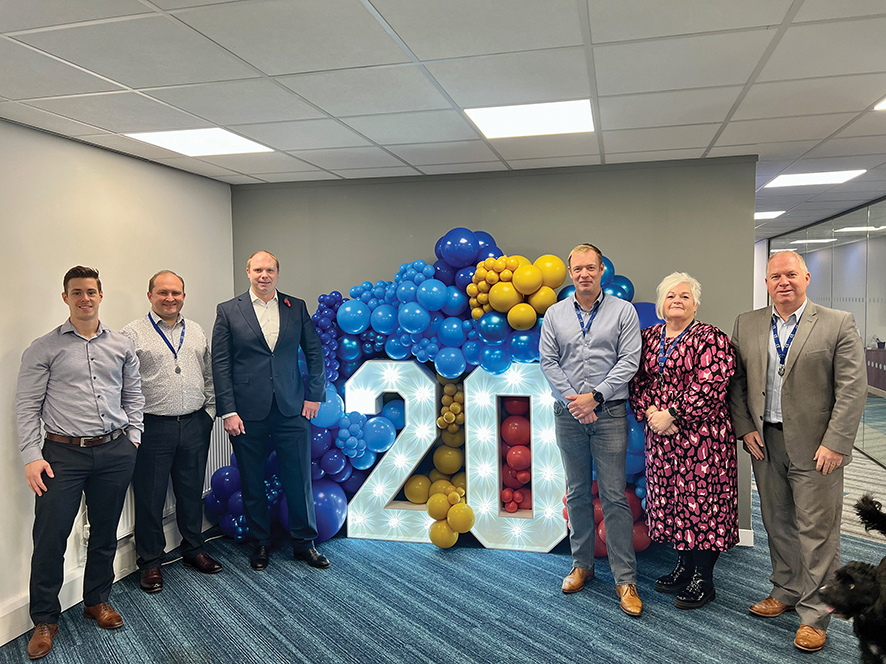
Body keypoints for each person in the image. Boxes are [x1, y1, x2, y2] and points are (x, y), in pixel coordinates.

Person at [729, 250, 866, 653]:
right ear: (766, 283)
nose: (783, 282)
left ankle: (816, 615)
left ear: (806, 278)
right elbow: (736, 383)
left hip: (817, 446)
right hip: (765, 442)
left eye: (791, 274)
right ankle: (786, 590)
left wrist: (836, 442)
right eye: (775, 276)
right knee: (777, 522)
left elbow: (852, 389)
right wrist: (745, 428)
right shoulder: (747, 323)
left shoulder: (837, 323)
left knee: (817, 533)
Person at [15, 266, 144, 660]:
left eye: (90, 291)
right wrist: (32, 456)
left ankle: (96, 600)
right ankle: (44, 619)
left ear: (101, 295)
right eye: (76, 292)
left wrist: (133, 438)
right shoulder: (44, 347)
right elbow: (27, 406)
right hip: (62, 456)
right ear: (65, 298)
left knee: (105, 531)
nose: (84, 298)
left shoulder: (121, 345)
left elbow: (133, 394)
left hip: (114, 451)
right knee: (50, 537)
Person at [539, 243, 643, 617]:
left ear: (601, 270)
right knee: (577, 492)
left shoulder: (623, 311)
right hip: (568, 414)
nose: (584, 274)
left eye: (590, 267)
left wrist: (595, 397)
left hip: (610, 413)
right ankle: (581, 565)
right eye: (578, 268)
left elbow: (630, 360)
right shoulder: (555, 314)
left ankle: (625, 579)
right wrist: (575, 401)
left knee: (614, 495)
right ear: (571, 273)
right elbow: (548, 361)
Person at [211, 250, 327, 571]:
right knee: (252, 480)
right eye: (258, 270)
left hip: (292, 408)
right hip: (246, 413)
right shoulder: (228, 311)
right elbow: (220, 365)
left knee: (299, 478)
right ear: (248, 272)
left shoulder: (296, 307)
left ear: (277, 273)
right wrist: (228, 411)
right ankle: (261, 542)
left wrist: (314, 396)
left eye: (270, 270)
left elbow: (314, 352)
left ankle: (304, 543)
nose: (264, 275)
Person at [629, 272, 738, 610]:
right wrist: (652, 413)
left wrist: (673, 414)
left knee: (702, 505)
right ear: (661, 303)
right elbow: (636, 379)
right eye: (671, 295)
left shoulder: (710, 337)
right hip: (661, 437)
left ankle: (704, 579)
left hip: (702, 438)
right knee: (672, 503)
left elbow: (712, 383)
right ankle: (684, 566)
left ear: (695, 304)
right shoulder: (648, 337)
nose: (677, 300)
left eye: (685, 296)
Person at [121, 270, 222, 594]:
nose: (170, 298)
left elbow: (209, 376)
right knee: (150, 498)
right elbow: (122, 384)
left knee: (191, 492)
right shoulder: (132, 334)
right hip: (152, 427)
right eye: (163, 292)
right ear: (150, 295)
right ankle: (151, 561)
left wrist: (209, 414)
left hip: (194, 424)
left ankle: (193, 548)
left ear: (183, 296)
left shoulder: (196, 330)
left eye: (176, 293)